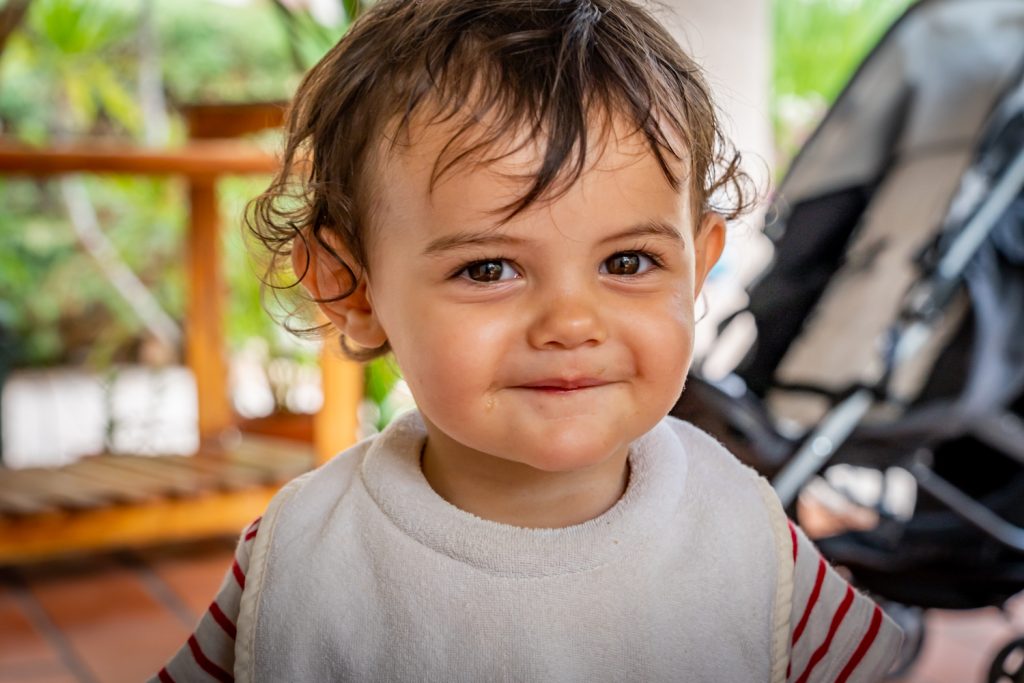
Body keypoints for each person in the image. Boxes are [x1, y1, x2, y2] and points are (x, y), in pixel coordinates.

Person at [154, 0, 903, 681]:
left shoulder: (747, 540)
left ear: (697, 268)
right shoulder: (302, 558)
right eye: (489, 268)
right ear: (352, 288)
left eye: (628, 263)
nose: (571, 323)